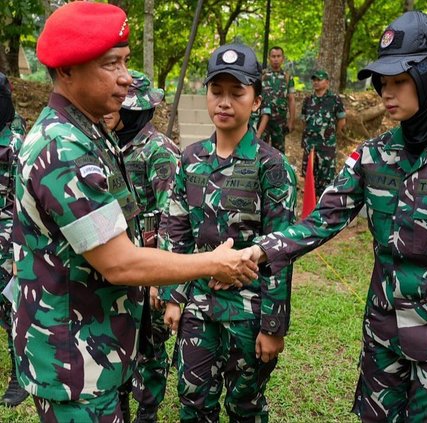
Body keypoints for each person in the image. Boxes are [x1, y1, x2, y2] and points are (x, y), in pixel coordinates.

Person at [227, 11, 427, 422]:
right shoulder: (372, 155)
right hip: (383, 336)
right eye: (383, 82)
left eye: (399, 81)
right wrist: (260, 250)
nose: (386, 93)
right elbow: (320, 220)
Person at [11, 3, 256, 422]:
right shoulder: (65, 150)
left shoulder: (87, 132)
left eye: (125, 61)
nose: (126, 77)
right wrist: (214, 262)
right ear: (67, 70)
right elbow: (120, 264)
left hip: (94, 349)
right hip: (75, 364)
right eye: (111, 64)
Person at [162, 43, 297, 422]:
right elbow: (177, 231)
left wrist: (273, 326)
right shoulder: (190, 160)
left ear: (256, 101)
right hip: (198, 307)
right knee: (193, 400)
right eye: (216, 91)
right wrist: (175, 298)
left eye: (236, 93)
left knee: (245, 406)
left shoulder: (272, 167)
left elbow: (281, 252)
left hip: (248, 310)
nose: (224, 102)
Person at [104, 70, 180, 423]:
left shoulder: (159, 152)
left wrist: (159, 281)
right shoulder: (109, 147)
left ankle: (147, 410)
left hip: (148, 264)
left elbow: (172, 217)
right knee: (120, 338)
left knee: (149, 344)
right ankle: (121, 401)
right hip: (119, 263)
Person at [0, 73, 29, 408]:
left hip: (11, 238)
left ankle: (20, 376)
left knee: (13, 307)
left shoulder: (18, 141)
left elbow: (25, 203)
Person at [301, 70, 346, 199]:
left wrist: (330, 135)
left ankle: (324, 205)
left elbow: (342, 121)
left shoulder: (334, 100)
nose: (316, 82)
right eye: (314, 80)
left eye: (319, 80)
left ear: (327, 82)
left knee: (326, 177)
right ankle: (310, 206)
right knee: (310, 176)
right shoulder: (308, 100)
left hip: (326, 146)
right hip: (310, 145)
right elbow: (304, 121)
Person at [260, 46, 295, 153]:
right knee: (260, 150)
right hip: (262, 121)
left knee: (279, 152)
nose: (276, 59)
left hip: (280, 121)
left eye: (278, 56)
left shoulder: (288, 77)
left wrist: (291, 121)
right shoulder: (262, 75)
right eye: (273, 56)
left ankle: (278, 170)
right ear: (269, 58)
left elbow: (291, 99)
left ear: (282, 58)